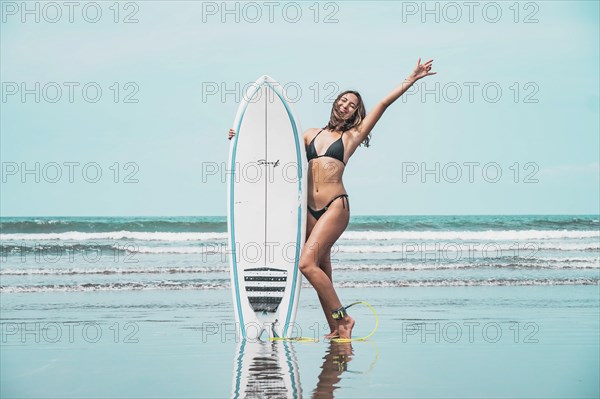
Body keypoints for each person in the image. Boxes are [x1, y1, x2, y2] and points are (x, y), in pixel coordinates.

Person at [228, 58, 436, 340]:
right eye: (343, 100)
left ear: (355, 113)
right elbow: (276, 156)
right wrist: (241, 137)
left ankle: (344, 319)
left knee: (306, 265)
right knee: (322, 268)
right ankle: (335, 328)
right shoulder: (309, 134)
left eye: (352, 105)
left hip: (335, 207)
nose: (346, 106)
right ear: (335, 103)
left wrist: (410, 80)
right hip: (309, 212)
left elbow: (383, 105)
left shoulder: (352, 136)